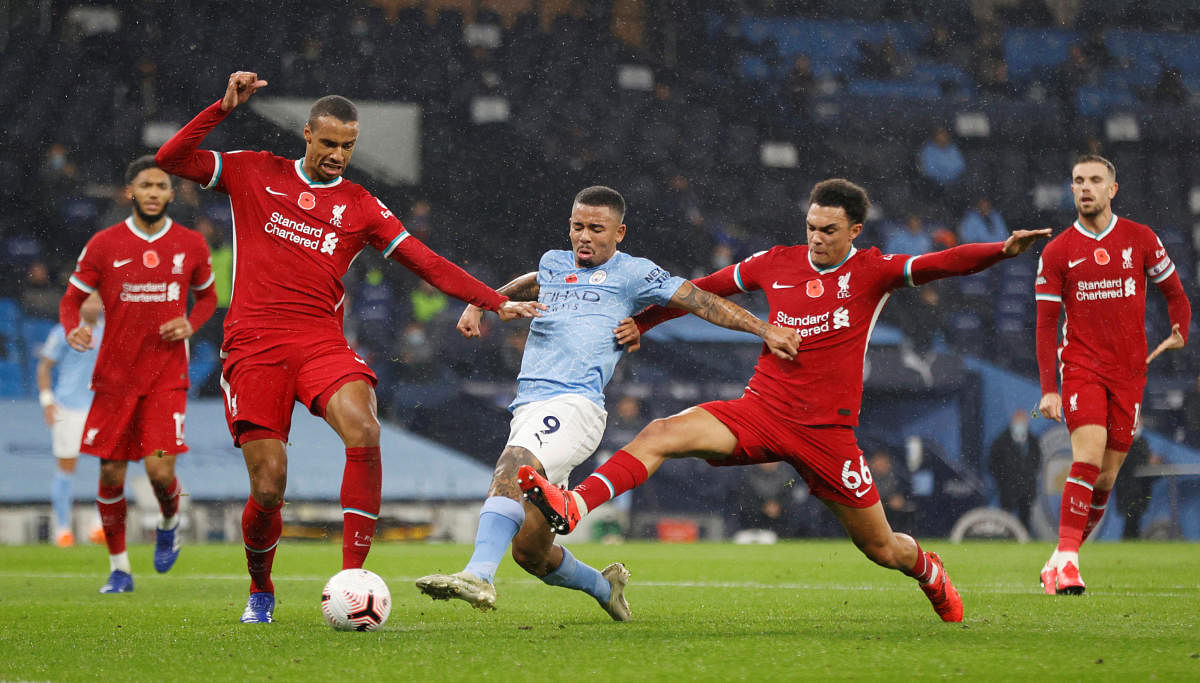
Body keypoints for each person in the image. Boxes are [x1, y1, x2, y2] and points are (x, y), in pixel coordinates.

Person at [520, 178, 1051, 623]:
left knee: (882, 548)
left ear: (854, 232)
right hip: (762, 411)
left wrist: (998, 252)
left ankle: (928, 570)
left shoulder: (872, 271)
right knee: (662, 432)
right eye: (811, 228)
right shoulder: (775, 263)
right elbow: (697, 290)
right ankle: (577, 503)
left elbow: (941, 262)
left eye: (829, 231)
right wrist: (642, 320)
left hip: (827, 434)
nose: (817, 239)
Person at [154, 71, 543, 624]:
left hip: (319, 341)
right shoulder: (253, 170)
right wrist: (221, 108)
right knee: (269, 488)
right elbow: (171, 158)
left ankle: (352, 576)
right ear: (307, 134)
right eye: (329, 143)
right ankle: (261, 587)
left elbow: (426, 262)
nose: (338, 155)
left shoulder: (360, 205)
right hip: (254, 346)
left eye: (348, 146)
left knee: (364, 429)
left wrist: (493, 301)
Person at [415, 185, 798, 618]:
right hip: (528, 406)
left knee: (512, 464)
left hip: (574, 405)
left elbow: (701, 300)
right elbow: (535, 280)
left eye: (596, 229)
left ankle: (478, 576)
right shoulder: (554, 262)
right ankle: (605, 588)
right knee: (531, 553)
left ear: (619, 233)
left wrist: (764, 330)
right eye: (577, 226)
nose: (584, 236)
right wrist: (484, 302)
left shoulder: (634, 273)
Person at [58, 155, 218, 593]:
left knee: (160, 472)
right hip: (114, 378)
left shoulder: (191, 245)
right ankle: (119, 568)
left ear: (171, 193)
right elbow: (71, 301)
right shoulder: (104, 244)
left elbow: (207, 299)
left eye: (161, 186)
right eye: (145, 185)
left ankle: (169, 520)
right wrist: (73, 330)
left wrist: (192, 322)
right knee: (111, 474)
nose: (153, 192)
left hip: (167, 376)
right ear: (131, 192)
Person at [1034, 154, 1191, 595]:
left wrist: (1181, 329)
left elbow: (1175, 294)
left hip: (1129, 374)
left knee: (1105, 478)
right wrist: (1050, 389)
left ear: (1112, 189)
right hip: (1082, 368)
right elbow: (1046, 326)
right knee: (1086, 457)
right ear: (1072, 190)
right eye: (1078, 181)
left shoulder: (1140, 239)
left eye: (1094, 180)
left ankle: (1059, 560)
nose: (1085, 187)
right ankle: (1068, 565)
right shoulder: (1058, 251)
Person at [37, 292, 103, 547]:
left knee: (108, 466)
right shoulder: (64, 331)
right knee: (66, 467)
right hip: (68, 407)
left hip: (100, 408)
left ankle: (98, 525)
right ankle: (62, 529)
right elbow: (44, 366)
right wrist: (47, 401)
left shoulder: (111, 330)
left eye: (96, 300)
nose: (92, 305)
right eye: (87, 300)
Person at [987, 410, 1041, 531]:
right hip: (1007, 489)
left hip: (1026, 489)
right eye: (1018, 422)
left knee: (1025, 520)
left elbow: (1037, 462)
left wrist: (1028, 478)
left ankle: (1024, 542)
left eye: (1023, 422)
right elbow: (992, 464)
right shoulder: (1001, 441)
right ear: (1012, 422)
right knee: (1006, 520)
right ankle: (1005, 540)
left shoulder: (1033, 441)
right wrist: (1003, 480)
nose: (1020, 425)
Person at [1113, 427, 1159, 539]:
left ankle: (1131, 539)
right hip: (1128, 487)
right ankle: (1129, 539)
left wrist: (1151, 463)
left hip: (1140, 487)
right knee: (1131, 517)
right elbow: (1130, 464)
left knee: (1135, 518)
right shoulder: (1123, 441)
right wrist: (1148, 462)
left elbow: (1144, 465)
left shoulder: (1142, 441)